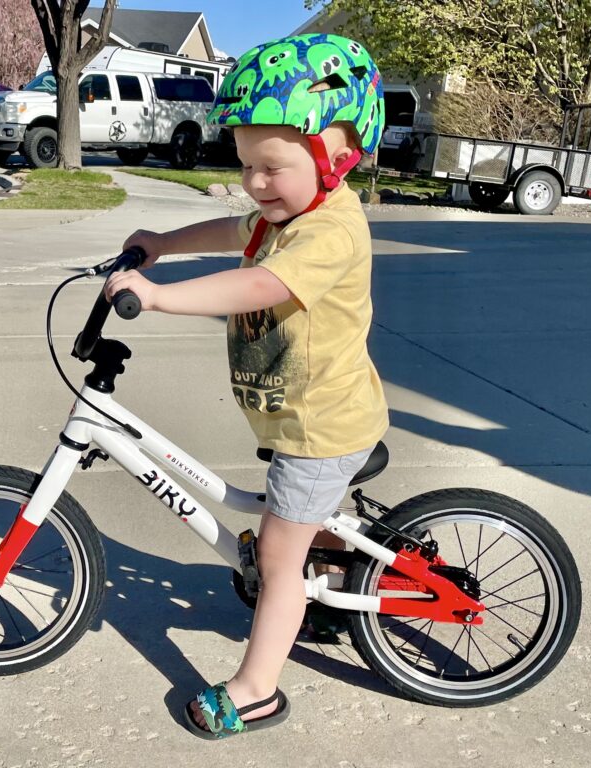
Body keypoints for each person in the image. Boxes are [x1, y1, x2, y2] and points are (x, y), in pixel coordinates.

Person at [105, 33, 389, 739]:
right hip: (295, 418)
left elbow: (261, 284)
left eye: (271, 167)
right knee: (287, 540)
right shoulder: (284, 217)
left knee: (277, 559)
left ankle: (258, 688)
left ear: (336, 156)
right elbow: (234, 230)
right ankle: (329, 589)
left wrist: (162, 295)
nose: (254, 183)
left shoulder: (330, 232)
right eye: (244, 165)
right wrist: (163, 244)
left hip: (322, 430)